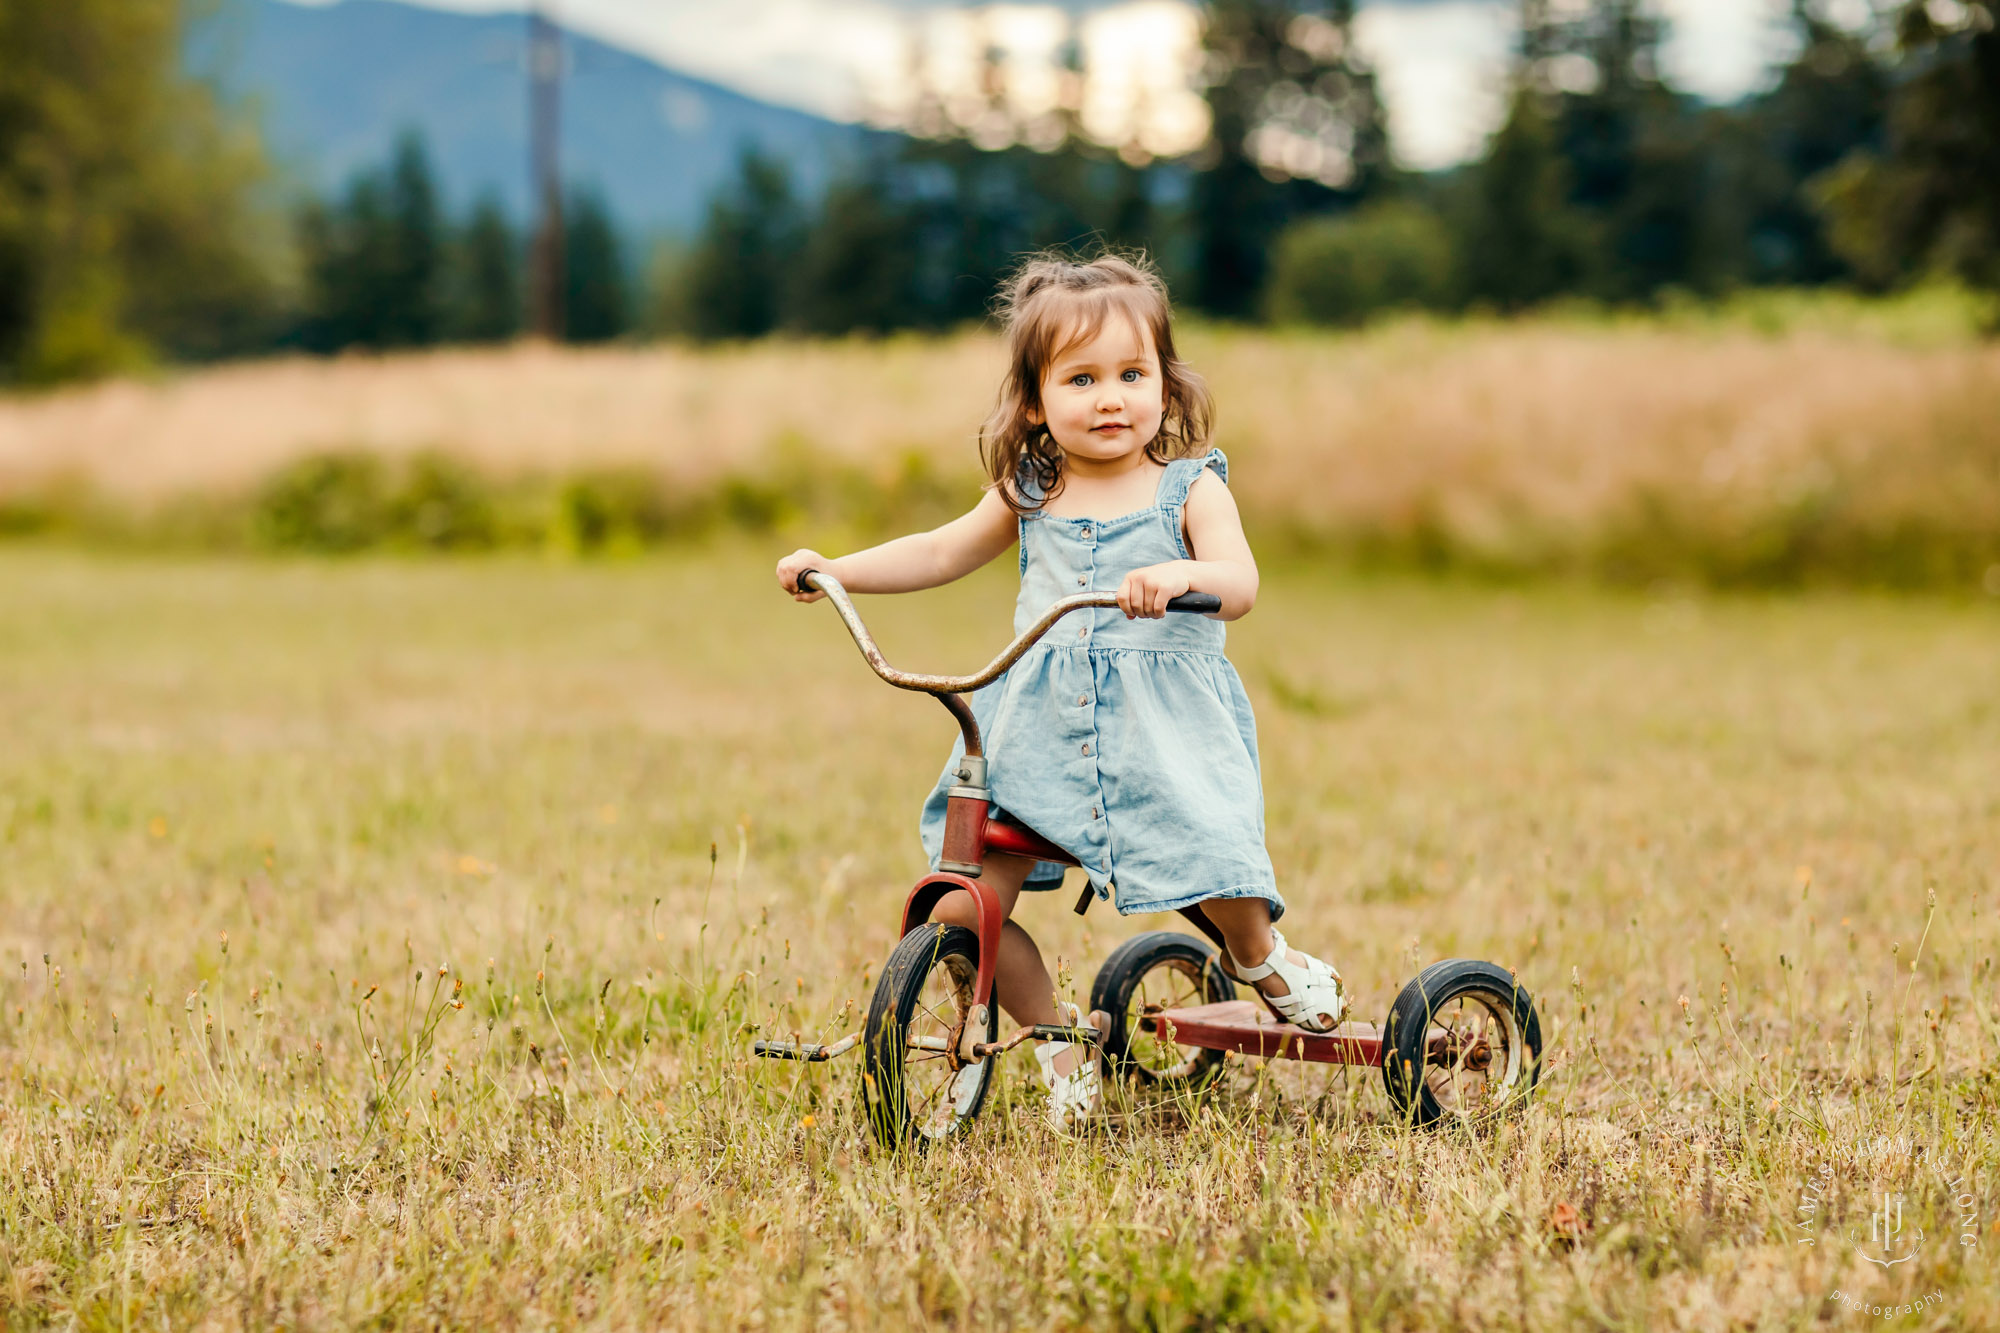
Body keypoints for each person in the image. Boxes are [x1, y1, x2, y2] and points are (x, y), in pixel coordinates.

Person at [774, 252, 1344, 1130]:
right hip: (1034, 736)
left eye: (1131, 373)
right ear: (1036, 400)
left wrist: (1178, 573)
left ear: (1166, 383)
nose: (1110, 397)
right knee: (969, 899)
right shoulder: (1033, 491)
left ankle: (1260, 957)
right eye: (1082, 378)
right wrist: (832, 569)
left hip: (1162, 732)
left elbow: (1240, 581)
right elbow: (939, 549)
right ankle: (1055, 1035)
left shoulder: (1191, 489)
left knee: (1217, 865)